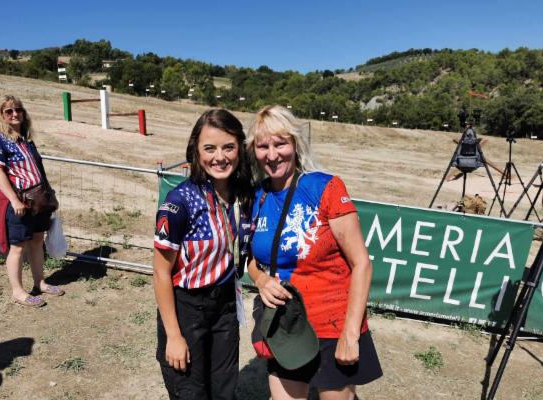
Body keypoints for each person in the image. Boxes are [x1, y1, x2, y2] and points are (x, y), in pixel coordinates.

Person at [246, 105, 382, 400]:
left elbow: (362, 264)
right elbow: (252, 260)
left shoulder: (325, 187)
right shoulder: (257, 196)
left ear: (295, 144)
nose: (272, 155)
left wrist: (350, 334)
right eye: (263, 146)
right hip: (287, 326)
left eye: (280, 143)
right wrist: (261, 280)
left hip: (333, 326)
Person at [153, 109, 253, 400]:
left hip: (225, 306)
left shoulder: (244, 196)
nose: (219, 157)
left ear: (240, 149)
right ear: (195, 151)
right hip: (187, 308)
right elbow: (160, 272)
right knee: (190, 392)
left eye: (228, 147)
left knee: (224, 391)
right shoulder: (179, 202)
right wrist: (174, 336)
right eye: (209, 148)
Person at [0, 95, 64, 308]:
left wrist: (49, 195)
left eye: (18, 110)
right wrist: (14, 200)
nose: (14, 114)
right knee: (18, 247)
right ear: (1, 115)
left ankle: (40, 282)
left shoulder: (26, 140)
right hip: (19, 203)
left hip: (39, 200)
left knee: (37, 241)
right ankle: (18, 291)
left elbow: (38, 170)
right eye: (8, 111)